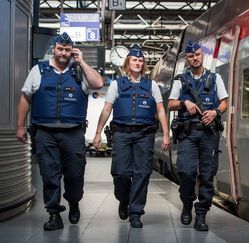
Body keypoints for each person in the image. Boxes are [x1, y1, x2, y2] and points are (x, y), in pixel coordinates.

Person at [16, 32, 104, 231]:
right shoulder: (38, 71)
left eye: (67, 49)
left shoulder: (79, 72)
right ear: (53, 49)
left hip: (73, 133)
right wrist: (20, 126)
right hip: (45, 132)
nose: (63, 53)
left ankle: (74, 202)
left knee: (74, 174)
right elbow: (25, 98)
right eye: (60, 49)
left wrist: (81, 62)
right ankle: (54, 214)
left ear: (72, 51)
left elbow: (98, 83)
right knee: (49, 175)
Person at [92, 48, 170, 228]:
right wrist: (97, 132)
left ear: (143, 64)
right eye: (134, 60)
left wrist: (166, 134)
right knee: (120, 173)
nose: (138, 63)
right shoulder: (116, 85)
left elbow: (160, 110)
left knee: (142, 173)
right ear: (128, 63)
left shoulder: (151, 85)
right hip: (122, 134)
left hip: (145, 134)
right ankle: (123, 199)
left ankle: (135, 212)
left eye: (140, 60)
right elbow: (106, 109)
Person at [167, 41, 228, 231]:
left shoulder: (215, 78)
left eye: (198, 55)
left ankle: (201, 213)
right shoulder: (180, 80)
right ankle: (187, 204)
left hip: (209, 133)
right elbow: (170, 104)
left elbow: (225, 102)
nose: (195, 58)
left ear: (203, 56)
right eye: (191, 56)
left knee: (208, 175)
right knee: (186, 172)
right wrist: (184, 102)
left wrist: (216, 112)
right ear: (187, 58)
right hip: (188, 133)